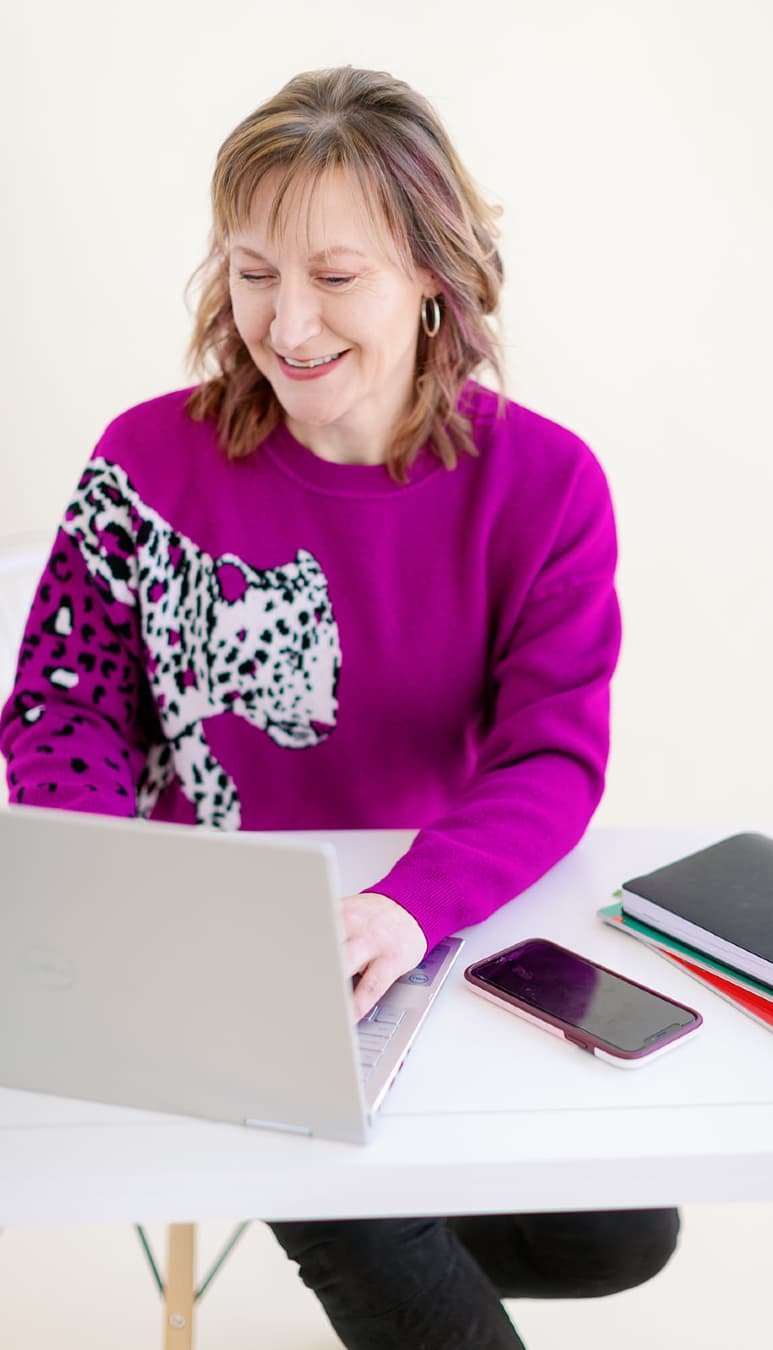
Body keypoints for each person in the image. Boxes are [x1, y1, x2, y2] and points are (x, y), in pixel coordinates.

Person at [0, 65, 679, 1349]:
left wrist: (407, 907)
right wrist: (116, 886)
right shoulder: (145, 459)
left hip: (444, 927)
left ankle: (334, 1206)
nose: (286, 321)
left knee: (622, 1235)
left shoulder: (544, 484)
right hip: (209, 947)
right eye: (254, 272)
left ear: (432, 273)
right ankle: (335, 1209)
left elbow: (551, 756)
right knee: (337, 1182)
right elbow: (62, 706)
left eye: (334, 274)